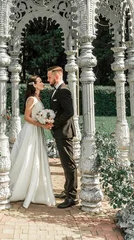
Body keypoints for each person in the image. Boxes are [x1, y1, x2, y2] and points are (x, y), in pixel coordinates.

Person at [9, 75, 56, 208]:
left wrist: (45, 121)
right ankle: (22, 188)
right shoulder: (31, 99)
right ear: (34, 85)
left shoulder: (38, 98)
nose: (43, 83)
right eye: (40, 82)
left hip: (37, 130)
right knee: (29, 157)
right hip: (31, 131)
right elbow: (26, 117)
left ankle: (35, 189)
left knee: (36, 157)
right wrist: (42, 124)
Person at [47, 65, 78, 208]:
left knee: (69, 164)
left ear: (57, 76)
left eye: (49, 77)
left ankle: (72, 197)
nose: (48, 80)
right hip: (60, 132)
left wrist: (54, 123)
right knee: (65, 164)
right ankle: (67, 191)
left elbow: (69, 112)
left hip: (65, 132)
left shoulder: (64, 91)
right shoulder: (57, 91)